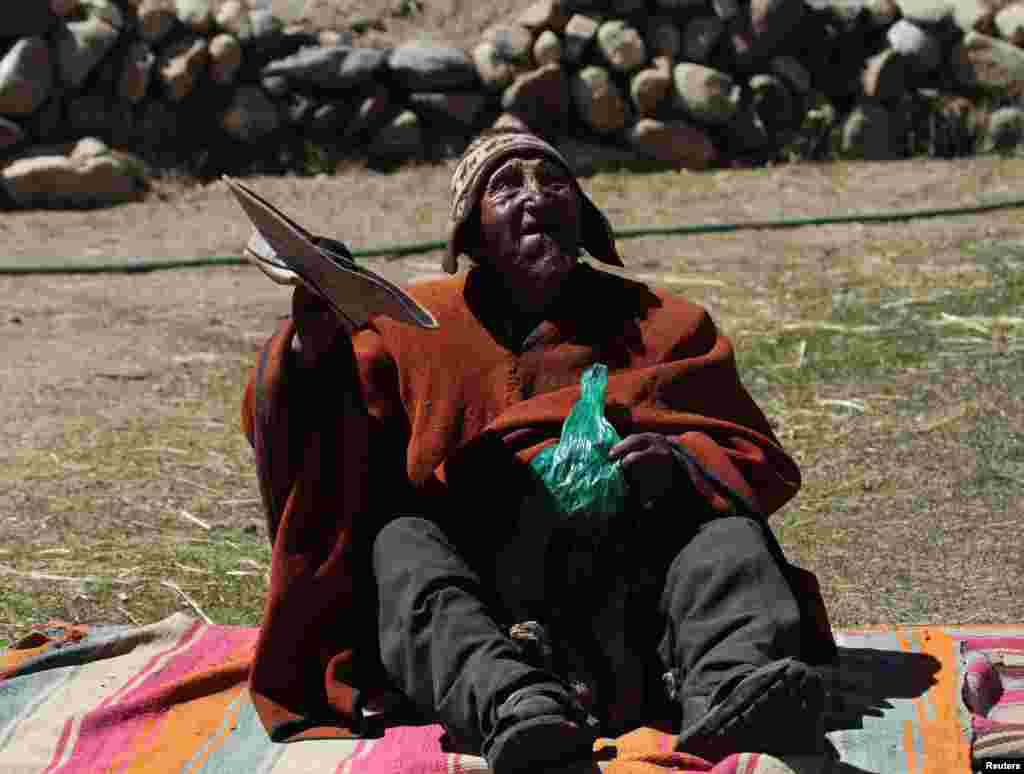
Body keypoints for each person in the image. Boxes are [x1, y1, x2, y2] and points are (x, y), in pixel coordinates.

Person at [241, 128, 837, 771]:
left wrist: (678, 467)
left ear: (584, 219)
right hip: (491, 607)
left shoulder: (665, 324)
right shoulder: (412, 329)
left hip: (636, 598)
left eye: (554, 181)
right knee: (399, 544)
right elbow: (320, 435)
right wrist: (311, 340)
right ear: (470, 234)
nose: (536, 196)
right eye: (506, 185)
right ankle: (517, 707)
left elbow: (750, 455)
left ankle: (730, 692)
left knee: (728, 539)